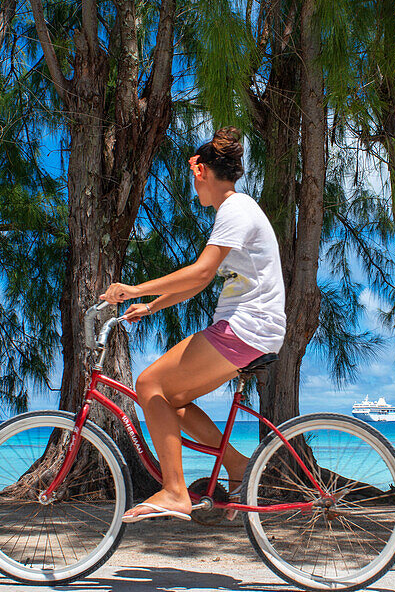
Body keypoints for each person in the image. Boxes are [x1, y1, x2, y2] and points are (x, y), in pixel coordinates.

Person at [99, 127, 286, 522]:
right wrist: (149, 307)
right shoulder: (238, 210)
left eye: (192, 178)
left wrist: (133, 290)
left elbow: (200, 273)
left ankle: (174, 491)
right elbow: (196, 283)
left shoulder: (235, 210)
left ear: (200, 171)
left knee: (149, 384)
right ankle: (236, 466)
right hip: (252, 328)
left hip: (246, 327)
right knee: (174, 401)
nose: (193, 188)